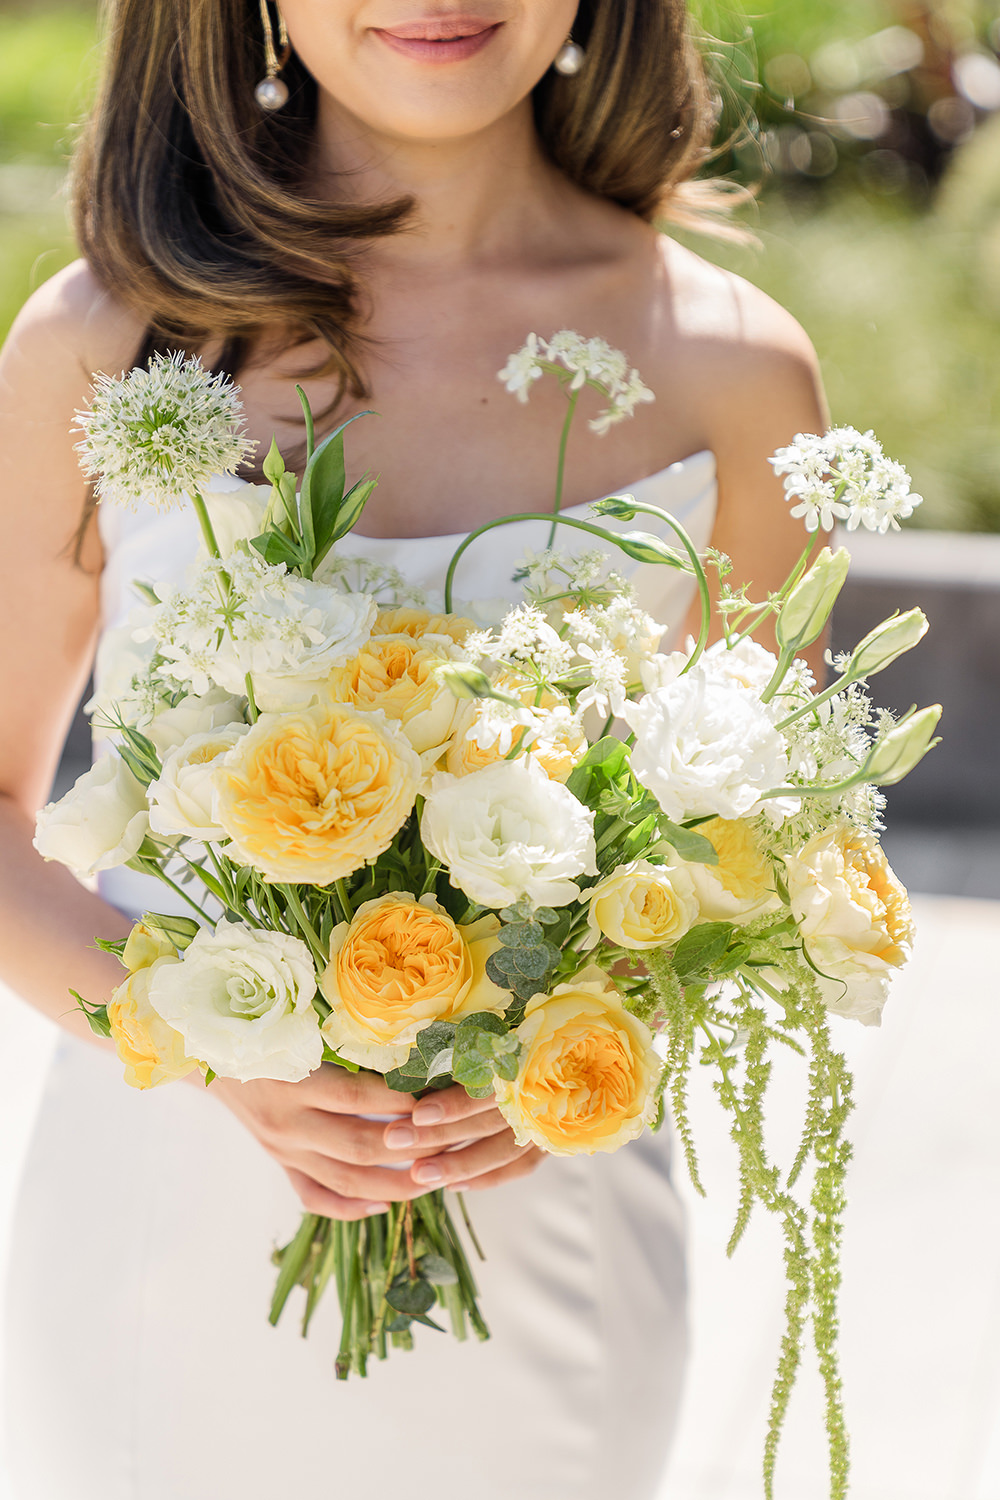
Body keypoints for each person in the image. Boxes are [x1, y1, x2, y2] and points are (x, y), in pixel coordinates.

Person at [0, 2, 827, 1496]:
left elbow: (762, 850)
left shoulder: (732, 369)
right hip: (159, 1246)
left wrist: (596, 1007)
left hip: (549, 1250)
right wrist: (185, 1043)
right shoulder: (104, 346)